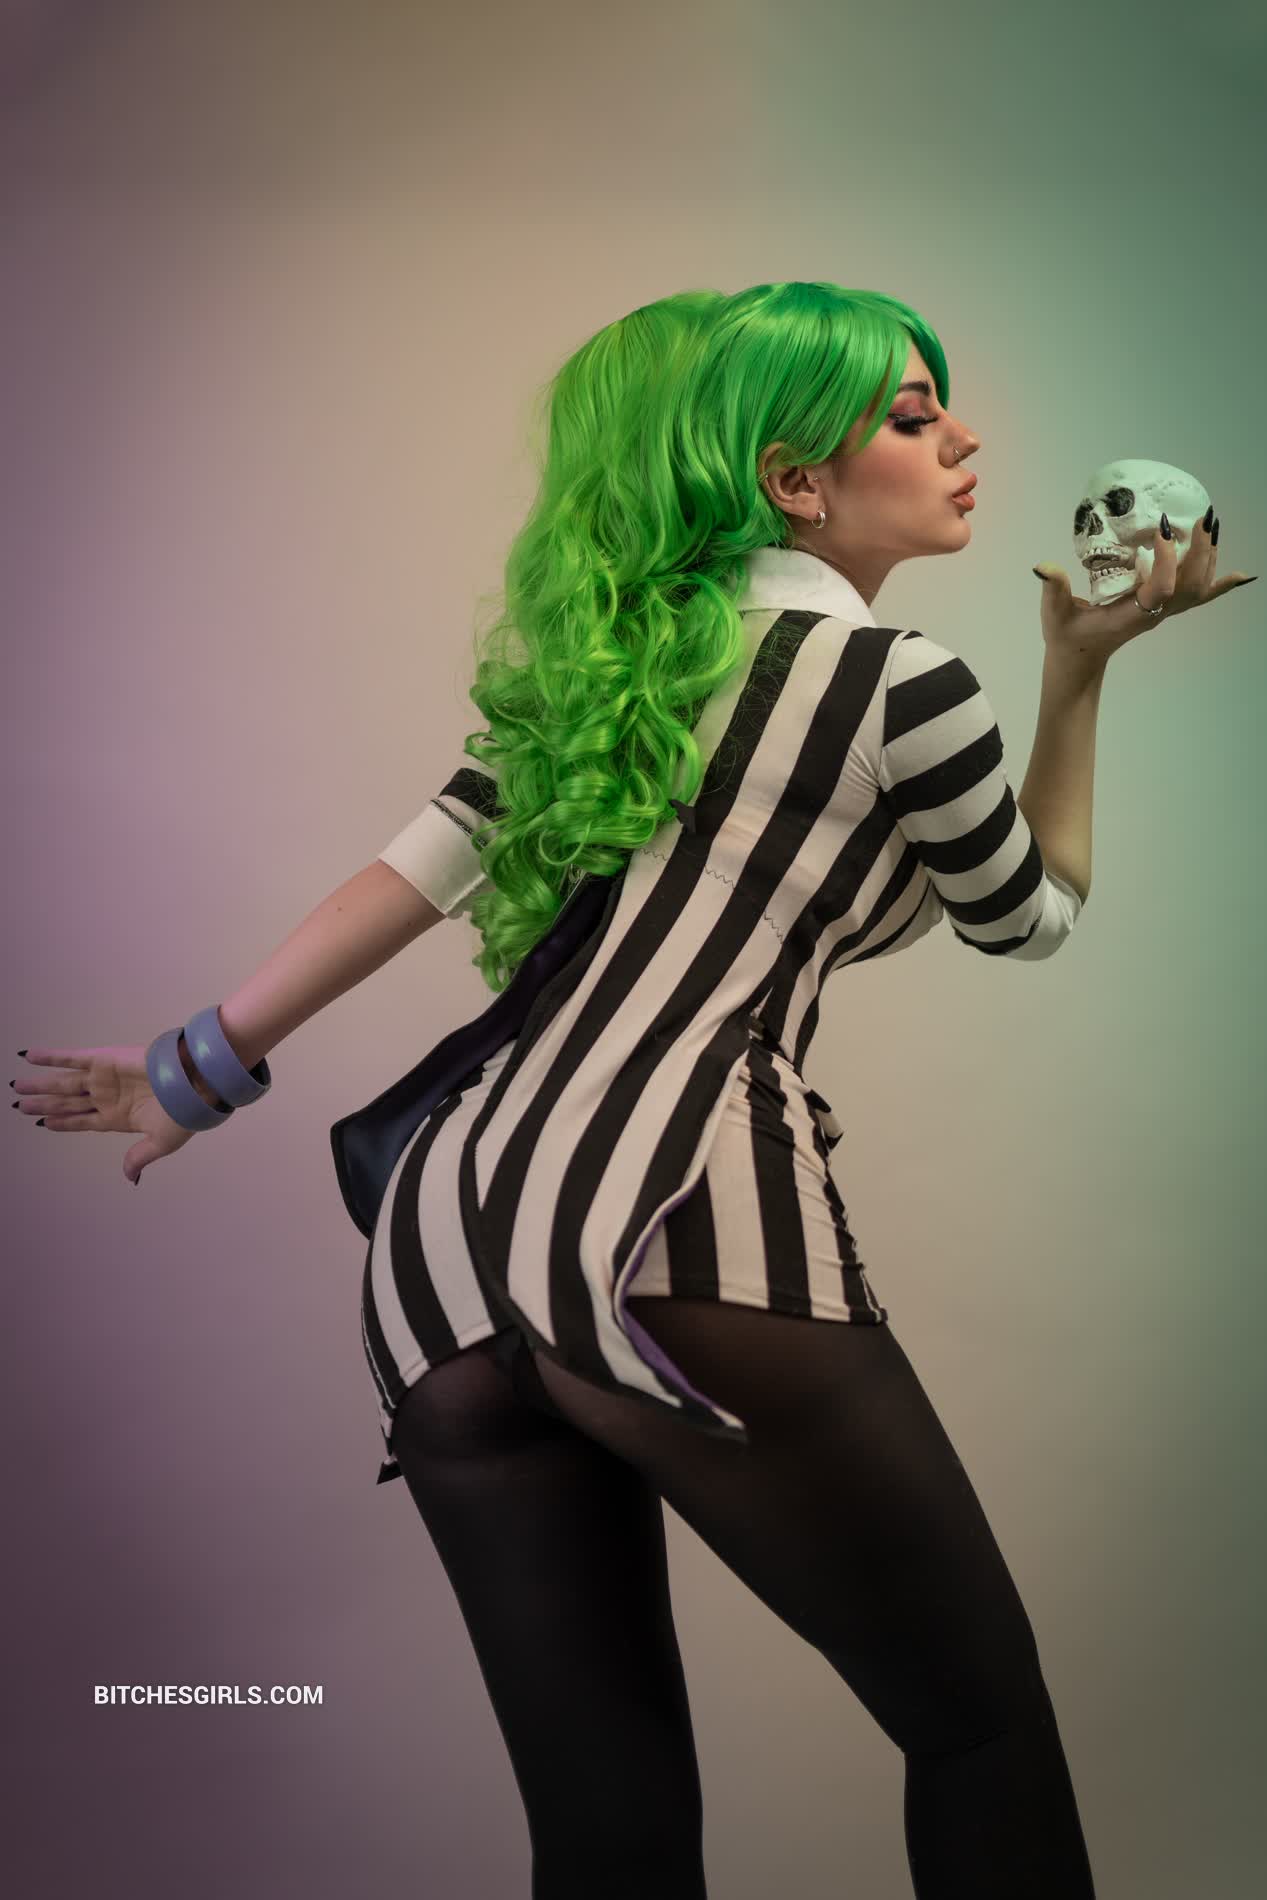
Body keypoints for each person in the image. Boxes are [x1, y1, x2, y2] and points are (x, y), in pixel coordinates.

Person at [15, 281, 1252, 1899]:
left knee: (608, 1839)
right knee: (979, 1729)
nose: (963, 438)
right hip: (678, 1209)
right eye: (911, 414)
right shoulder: (906, 684)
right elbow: (1029, 918)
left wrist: (191, 1071)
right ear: (795, 482)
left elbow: (410, 878)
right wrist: (1076, 676)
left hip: (443, 1250)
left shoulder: (620, 677)